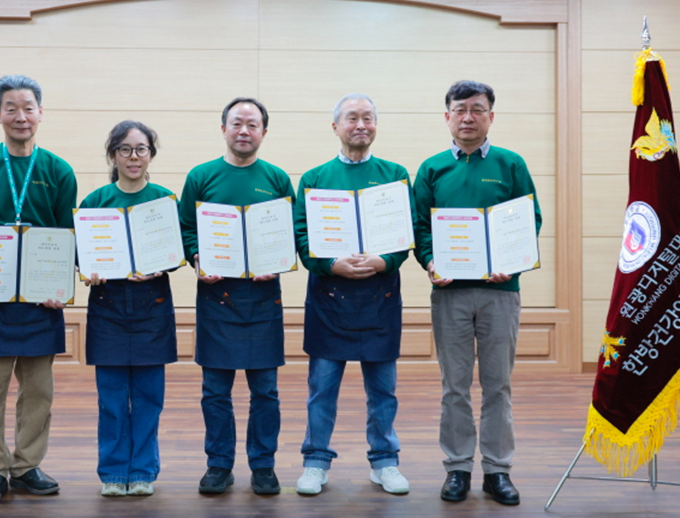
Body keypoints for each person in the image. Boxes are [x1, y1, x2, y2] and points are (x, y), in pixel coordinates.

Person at [0, 75, 77, 504]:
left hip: (41, 300)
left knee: (39, 390)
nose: (20, 116)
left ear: (41, 113)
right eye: (11, 108)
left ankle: (26, 465)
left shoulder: (58, 170)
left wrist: (62, 284)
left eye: (28, 108)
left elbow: (66, 234)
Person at [413, 80, 541, 506]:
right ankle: (457, 469)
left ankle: (498, 470)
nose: (468, 117)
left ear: (491, 115)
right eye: (460, 109)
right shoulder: (431, 168)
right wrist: (430, 262)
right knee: (454, 386)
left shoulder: (510, 164)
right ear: (447, 116)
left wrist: (514, 261)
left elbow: (530, 221)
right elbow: (419, 229)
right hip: (450, 293)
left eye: (477, 109)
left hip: (500, 292)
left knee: (498, 385)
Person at [292, 94, 412, 496]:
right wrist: (329, 265)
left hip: (379, 300)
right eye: (352, 118)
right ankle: (315, 461)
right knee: (322, 389)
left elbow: (405, 235)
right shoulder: (314, 178)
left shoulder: (395, 174)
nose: (360, 125)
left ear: (376, 126)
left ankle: (385, 461)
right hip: (330, 301)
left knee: (383, 391)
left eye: (368, 118)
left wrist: (385, 261)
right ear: (336, 126)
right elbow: (302, 237)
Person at [178, 97, 294, 495]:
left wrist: (278, 260)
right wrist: (196, 257)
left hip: (263, 298)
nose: (244, 131)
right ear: (223, 128)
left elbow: (289, 234)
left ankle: (263, 465)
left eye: (252, 124)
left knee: (266, 391)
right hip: (216, 297)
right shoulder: (201, 176)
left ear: (263, 131)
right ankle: (219, 465)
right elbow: (185, 229)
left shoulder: (277, 179)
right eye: (237, 123)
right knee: (215, 391)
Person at [79, 121, 178, 497]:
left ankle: (143, 472)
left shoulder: (164, 199)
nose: (133, 157)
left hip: (152, 308)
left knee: (150, 399)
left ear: (151, 154)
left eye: (141, 149)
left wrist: (162, 264)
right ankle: (112, 472)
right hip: (108, 310)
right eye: (125, 149)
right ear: (112, 155)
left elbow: (177, 250)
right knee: (113, 399)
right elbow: (81, 256)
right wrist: (89, 271)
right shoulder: (95, 202)